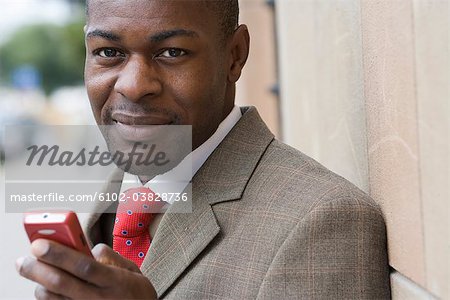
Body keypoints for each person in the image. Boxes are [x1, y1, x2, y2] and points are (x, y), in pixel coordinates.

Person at [16, 0, 391, 299]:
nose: (133, 86)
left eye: (172, 52)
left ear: (235, 56)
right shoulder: (122, 192)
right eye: (109, 52)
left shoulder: (323, 222)